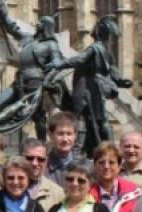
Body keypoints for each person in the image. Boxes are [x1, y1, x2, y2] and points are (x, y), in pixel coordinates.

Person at [0, 2, 67, 141]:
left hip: (36, 83)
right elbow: (12, 27)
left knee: (37, 116)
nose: (37, 25)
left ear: (46, 27)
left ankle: (41, 143)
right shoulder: (27, 39)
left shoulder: (51, 44)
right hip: (20, 82)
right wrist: (2, 12)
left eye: (41, 23)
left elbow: (57, 62)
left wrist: (49, 76)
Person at [52, 16, 133, 154]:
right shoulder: (106, 50)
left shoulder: (95, 48)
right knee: (95, 120)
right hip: (95, 88)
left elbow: (79, 59)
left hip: (88, 88)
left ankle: (107, 150)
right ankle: (101, 149)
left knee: (88, 120)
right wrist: (121, 80)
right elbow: (113, 71)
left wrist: (60, 64)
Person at [46, 111, 79, 178]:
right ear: (51, 135)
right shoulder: (43, 167)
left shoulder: (85, 167)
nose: (65, 139)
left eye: (69, 134)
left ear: (75, 136)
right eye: (60, 134)